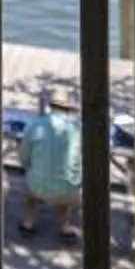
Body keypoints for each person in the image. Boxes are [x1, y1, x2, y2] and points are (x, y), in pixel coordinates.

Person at [19, 89, 83, 244]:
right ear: (70, 109)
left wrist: (31, 168)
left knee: (31, 191)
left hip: (38, 185)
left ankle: (28, 222)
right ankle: (64, 226)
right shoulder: (78, 128)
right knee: (65, 186)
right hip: (69, 188)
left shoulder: (34, 126)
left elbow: (23, 158)